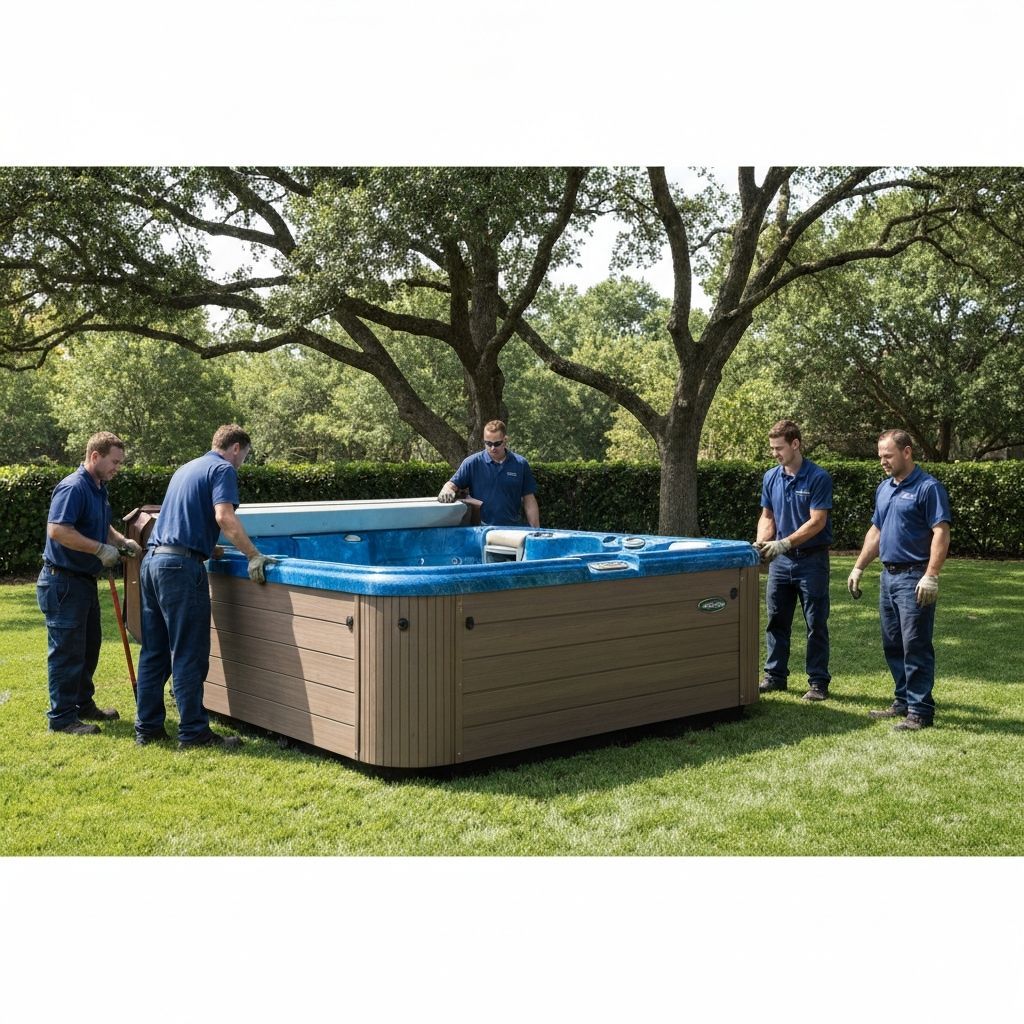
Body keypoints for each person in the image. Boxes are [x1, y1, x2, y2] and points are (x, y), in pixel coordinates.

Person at [134, 424, 276, 750]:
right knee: (189, 653)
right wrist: (253, 555)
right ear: (237, 448)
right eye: (245, 456)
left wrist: (206, 546)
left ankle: (149, 728)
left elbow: (179, 519)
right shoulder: (222, 469)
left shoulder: (187, 468)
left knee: (155, 651)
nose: (242, 463)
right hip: (180, 570)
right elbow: (224, 517)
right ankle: (194, 733)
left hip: (153, 562)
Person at [37, 431, 143, 735]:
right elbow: (58, 530)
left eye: (120, 463)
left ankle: (82, 704)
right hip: (63, 582)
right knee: (67, 652)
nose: (117, 468)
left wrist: (121, 540)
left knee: (88, 647)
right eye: (114, 462)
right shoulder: (73, 487)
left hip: (82, 582)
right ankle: (61, 718)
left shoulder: (98, 487)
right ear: (95, 456)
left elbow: (99, 523)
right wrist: (98, 549)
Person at [848, 429, 951, 731]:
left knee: (915, 644)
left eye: (888, 455)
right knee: (893, 643)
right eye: (880, 456)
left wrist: (931, 575)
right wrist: (859, 567)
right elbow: (876, 532)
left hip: (913, 577)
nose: (883, 461)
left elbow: (941, 532)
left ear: (907, 453)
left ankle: (920, 711)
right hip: (888, 577)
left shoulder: (928, 488)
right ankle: (903, 701)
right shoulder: (884, 488)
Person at [753, 419, 834, 701]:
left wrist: (785, 542)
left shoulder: (817, 477)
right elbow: (768, 516)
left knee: (816, 623)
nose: (775, 453)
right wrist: (763, 542)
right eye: (772, 448)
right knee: (776, 620)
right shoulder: (771, 477)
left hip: (811, 561)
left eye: (779, 448)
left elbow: (817, 522)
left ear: (796, 444)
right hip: (780, 563)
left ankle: (818, 683)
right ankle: (775, 677)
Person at [437, 419, 540, 527]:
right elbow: (452, 484)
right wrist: (447, 488)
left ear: (505, 440)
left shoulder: (520, 464)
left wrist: (536, 530)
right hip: (481, 530)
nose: (492, 448)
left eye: (497, 443)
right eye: (488, 443)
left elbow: (529, 500)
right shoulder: (472, 463)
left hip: (512, 529)